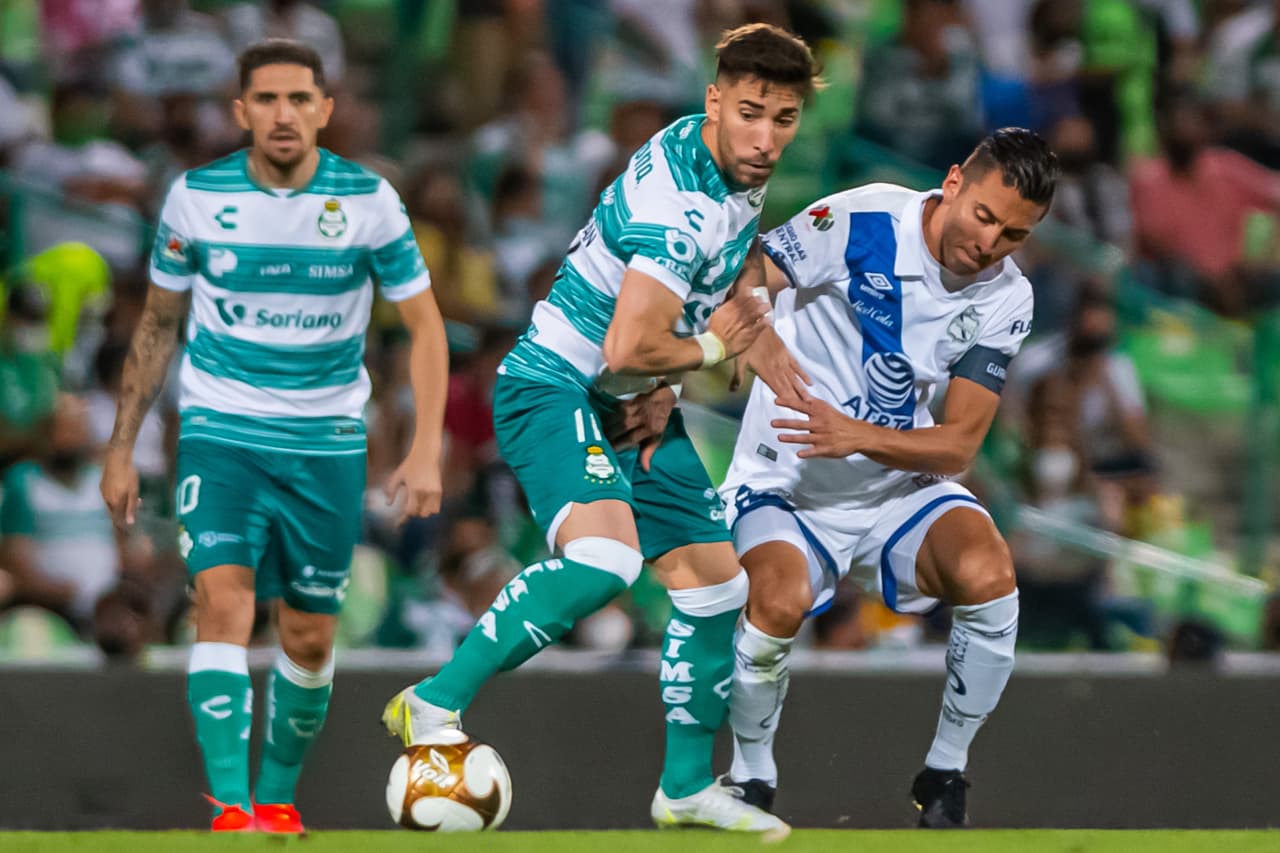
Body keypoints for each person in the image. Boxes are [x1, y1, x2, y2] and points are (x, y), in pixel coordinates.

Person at [382, 23, 821, 838]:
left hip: (628, 396)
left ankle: (685, 789)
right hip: (555, 385)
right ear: (715, 100)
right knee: (605, 560)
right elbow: (626, 340)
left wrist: (669, 373)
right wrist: (723, 343)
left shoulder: (714, 158)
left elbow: (679, 311)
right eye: (752, 113)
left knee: (717, 585)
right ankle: (433, 698)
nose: (766, 139)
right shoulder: (681, 209)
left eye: (784, 119)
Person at [98, 39, 448, 833]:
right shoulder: (196, 197)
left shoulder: (369, 201)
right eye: (266, 99)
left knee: (309, 634)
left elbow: (425, 329)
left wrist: (425, 446)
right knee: (221, 601)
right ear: (241, 111)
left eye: (299, 99)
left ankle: (278, 796)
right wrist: (122, 445)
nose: (283, 114)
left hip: (326, 442)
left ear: (325, 110)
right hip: (221, 431)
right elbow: (158, 324)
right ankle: (230, 806)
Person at [718, 128, 1059, 827]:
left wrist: (859, 437)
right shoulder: (864, 217)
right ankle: (751, 775)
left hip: (895, 491)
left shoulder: (1007, 298)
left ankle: (945, 772)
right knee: (776, 601)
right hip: (784, 482)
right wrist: (755, 326)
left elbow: (960, 442)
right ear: (955, 180)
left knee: (989, 570)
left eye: (1014, 235)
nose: (989, 243)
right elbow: (754, 268)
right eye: (986, 217)